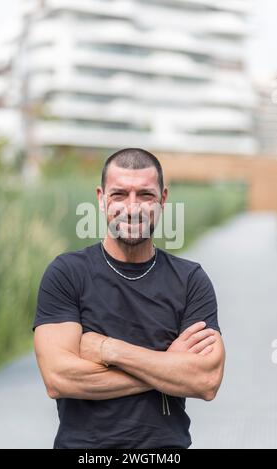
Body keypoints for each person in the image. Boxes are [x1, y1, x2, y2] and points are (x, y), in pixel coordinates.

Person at [33, 148, 225, 449]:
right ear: (101, 198)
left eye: (145, 195)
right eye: (120, 194)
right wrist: (168, 367)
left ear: (162, 200)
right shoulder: (67, 274)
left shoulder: (190, 281)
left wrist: (109, 350)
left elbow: (206, 381)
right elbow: (59, 379)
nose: (132, 207)